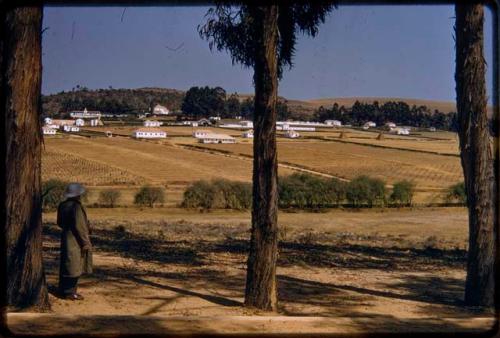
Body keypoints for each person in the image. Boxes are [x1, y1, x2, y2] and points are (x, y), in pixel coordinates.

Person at [57, 183, 93, 300]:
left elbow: (59, 223)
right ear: (78, 195)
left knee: (66, 264)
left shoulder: (62, 205)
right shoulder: (76, 207)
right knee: (74, 265)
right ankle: (70, 293)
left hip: (65, 238)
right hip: (75, 240)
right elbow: (80, 227)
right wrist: (85, 242)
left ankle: (63, 290)